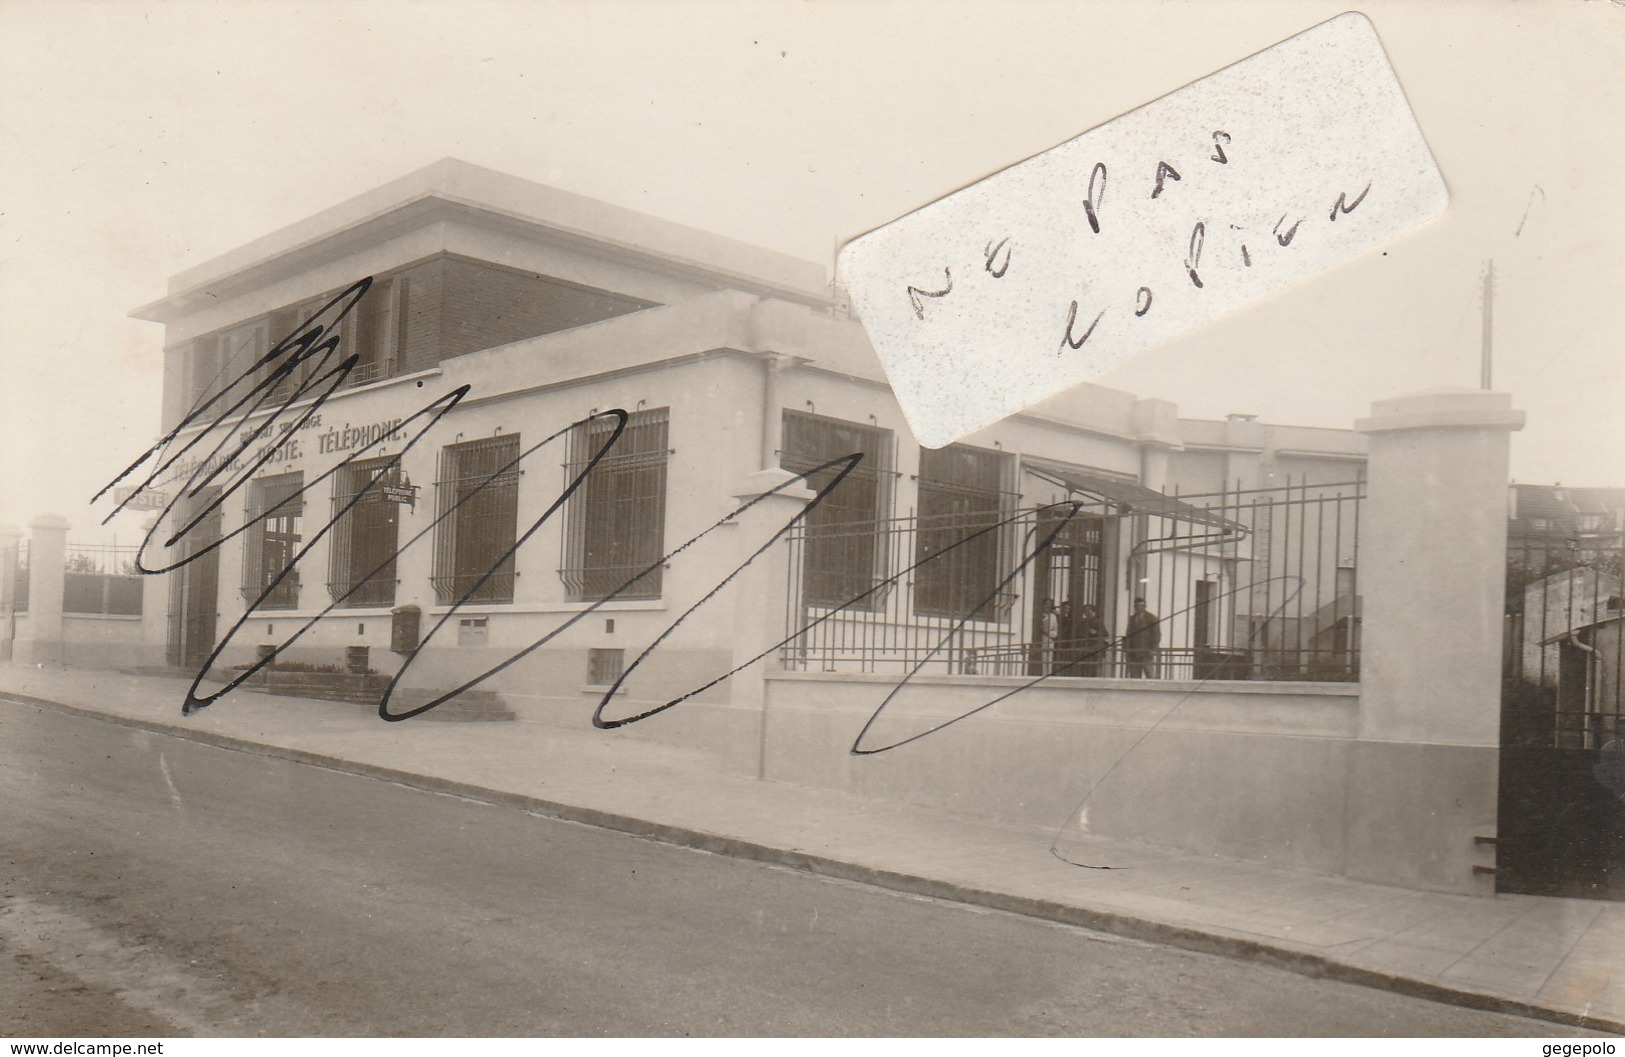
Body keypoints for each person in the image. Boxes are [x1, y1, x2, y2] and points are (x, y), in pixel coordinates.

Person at [1124, 596, 1161, 678]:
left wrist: (1153, 649)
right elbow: (1128, 635)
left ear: (1145, 606)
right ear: (1135, 607)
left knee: (1150, 675)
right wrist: (1127, 650)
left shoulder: (1151, 618)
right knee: (1134, 676)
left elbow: (1156, 634)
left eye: (1141, 606)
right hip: (1134, 653)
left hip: (1146, 652)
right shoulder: (1132, 619)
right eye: (1137, 606)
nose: (1139, 608)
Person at [1075, 603, 1109, 677]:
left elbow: (1106, 634)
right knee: (1084, 669)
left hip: (1094, 649)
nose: (1086, 613)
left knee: (1093, 669)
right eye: (1085, 611)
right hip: (1085, 649)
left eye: (1088, 610)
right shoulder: (1083, 622)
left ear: (1093, 611)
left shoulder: (1098, 621)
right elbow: (1078, 634)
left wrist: (1096, 633)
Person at [1035, 599, 1060, 676]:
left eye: (1049, 604)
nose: (1047, 606)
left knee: (1049, 658)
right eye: (1046, 604)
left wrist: (1050, 634)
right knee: (1042, 658)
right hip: (1041, 639)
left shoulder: (1053, 616)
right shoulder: (1039, 615)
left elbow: (1056, 629)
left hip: (1050, 639)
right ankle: (1042, 674)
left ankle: (1048, 674)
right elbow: (1037, 628)